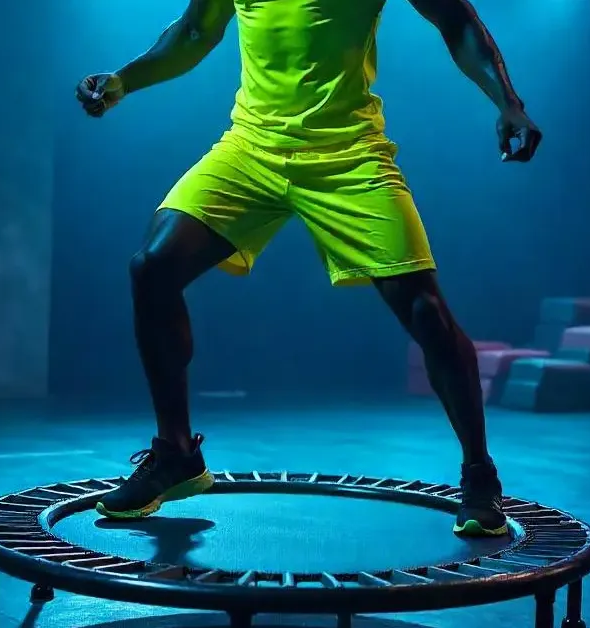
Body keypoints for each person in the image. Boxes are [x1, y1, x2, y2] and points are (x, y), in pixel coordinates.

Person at [76, 0, 541, 537]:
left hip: (349, 156)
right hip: (252, 149)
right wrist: (121, 81)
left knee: (424, 309)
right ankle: (175, 454)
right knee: (153, 267)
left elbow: (456, 19)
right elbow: (193, 33)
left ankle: (480, 477)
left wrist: (508, 101)